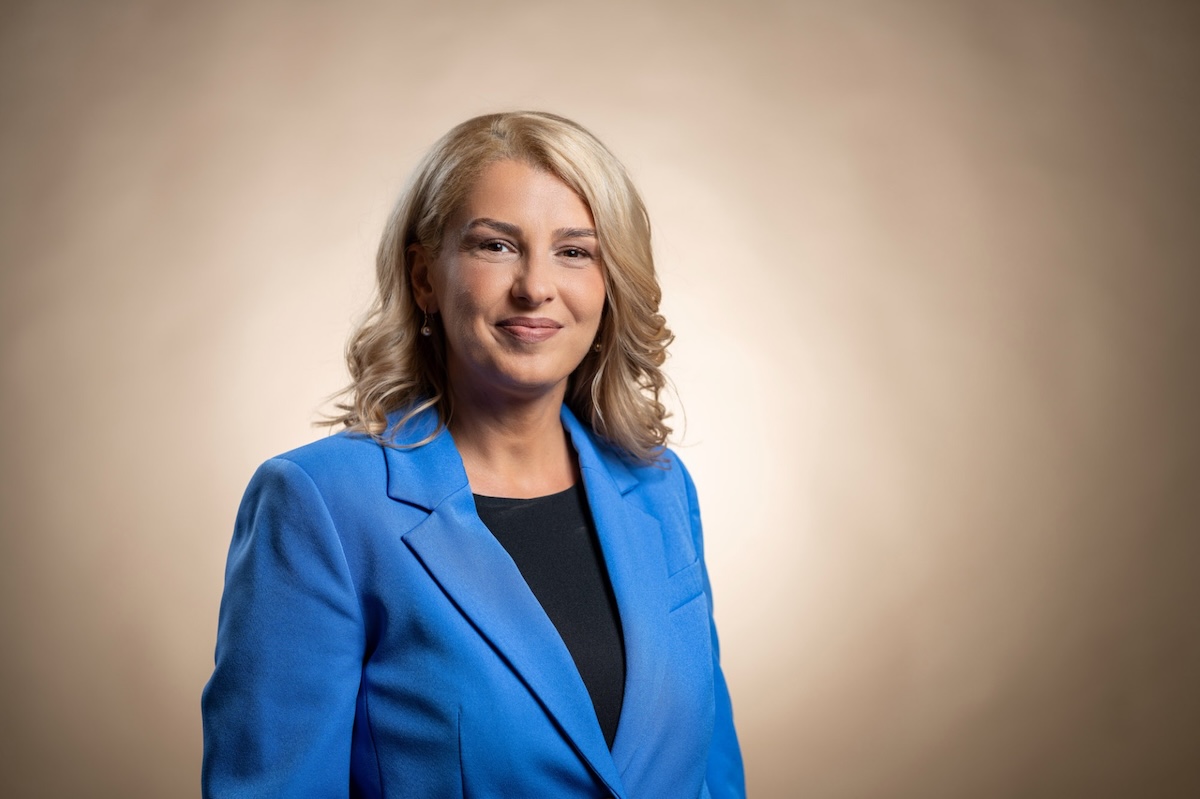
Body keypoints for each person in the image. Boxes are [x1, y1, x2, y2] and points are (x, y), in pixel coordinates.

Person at [201, 111, 745, 798]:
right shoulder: (322, 504)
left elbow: (712, 775)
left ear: (610, 283)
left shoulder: (661, 488)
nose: (535, 286)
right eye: (496, 246)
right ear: (424, 277)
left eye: (575, 252)